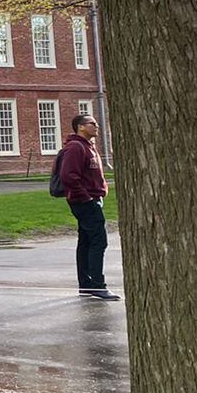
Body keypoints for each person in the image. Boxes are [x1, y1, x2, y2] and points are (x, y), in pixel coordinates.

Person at [59, 114, 117, 300]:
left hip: (91, 199)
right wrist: (86, 199)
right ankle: (97, 285)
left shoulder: (88, 147)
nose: (96, 126)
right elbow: (69, 176)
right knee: (99, 241)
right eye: (92, 123)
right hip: (84, 202)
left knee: (86, 241)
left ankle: (86, 285)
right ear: (81, 127)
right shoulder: (76, 147)